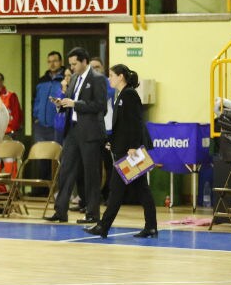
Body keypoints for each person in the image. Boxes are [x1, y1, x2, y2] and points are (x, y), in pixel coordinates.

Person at [84, 65, 157, 239]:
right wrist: (113, 142)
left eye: (111, 75)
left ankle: (104, 226)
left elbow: (135, 122)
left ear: (121, 77)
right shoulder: (120, 95)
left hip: (131, 152)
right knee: (140, 190)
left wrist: (133, 146)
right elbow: (122, 126)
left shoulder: (129, 94)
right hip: (126, 149)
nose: (109, 79)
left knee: (118, 191)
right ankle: (150, 227)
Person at [46, 47, 108, 224]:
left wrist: (75, 103)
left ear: (84, 62)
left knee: (91, 174)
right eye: (71, 64)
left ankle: (92, 213)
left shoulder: (97, 79)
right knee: (65, 171)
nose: (72, 67)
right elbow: (70, 101)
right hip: (72, 130)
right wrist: (61, 103)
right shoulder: (73, 78)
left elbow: (100, 106)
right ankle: (60, 211)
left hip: (90, 132)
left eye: (74, 64)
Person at [32, 51, 66, 142]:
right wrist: (36, 117)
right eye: (49, 62)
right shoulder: (42, 80)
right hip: (40, 125)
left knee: (57, 154)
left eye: (55, 61)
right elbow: (36, 100)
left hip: (58, 125)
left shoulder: (66, 79)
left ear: (61, 62)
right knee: (40, 154)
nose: (52, 64)